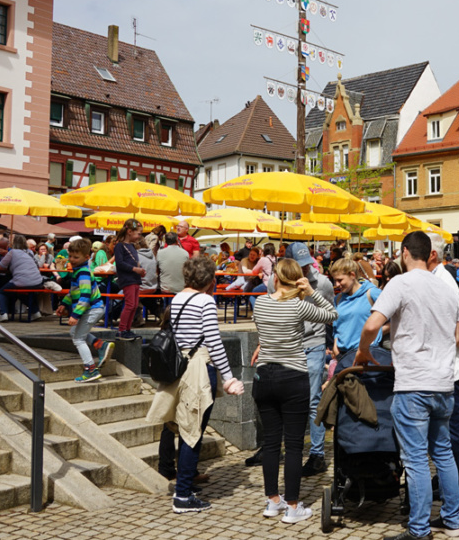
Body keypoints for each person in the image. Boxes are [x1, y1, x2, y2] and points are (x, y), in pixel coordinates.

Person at [355, 230, 459, 540]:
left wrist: (363, 351)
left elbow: (372, 324)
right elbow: (455, 337)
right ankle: (452, 521)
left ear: (404, 252)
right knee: (443, 453)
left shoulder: (400, 282)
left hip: (414, 383)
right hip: (444, 382)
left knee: (415, 459)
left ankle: (419, 530)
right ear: (429, 254)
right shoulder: (445, 287)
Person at [249, 258, 337, 524]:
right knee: (295, 443)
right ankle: (293, 506)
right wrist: (311, 293)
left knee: (272, 442)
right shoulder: (299, 306)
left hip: (264, 376)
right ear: (297, 279)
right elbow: (332, 314)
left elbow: (264, 334)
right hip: (292, 376)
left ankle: (272, 501)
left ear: (275, 278)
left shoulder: (261, 303)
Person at [164, 256, 245, 513]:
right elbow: (214, 341)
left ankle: (185, 483)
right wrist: (229, 377)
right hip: (199, 368)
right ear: (210, 280)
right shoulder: (206, 301)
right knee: (193, 432)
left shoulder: (177, 298)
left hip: (181, 368)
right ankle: (183, 497)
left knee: (187, 427)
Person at [426, 232, 459, 498]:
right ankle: (448, 475)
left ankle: (457, 478)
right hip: (438, 363)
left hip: (448, 365)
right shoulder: (434, 278)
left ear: (432, 254)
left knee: (452, 422)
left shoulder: (443, 280)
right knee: (442, 423)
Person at [284, 242, 335, 478]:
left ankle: (317, 455)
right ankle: (283, 448)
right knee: (287, 400)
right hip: (289, 346)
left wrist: (332, 344)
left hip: (313, 345)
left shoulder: (322, 283)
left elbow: (332, 313)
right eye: (299, 265)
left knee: (314, 400)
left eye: (307, 265)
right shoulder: (280, 282)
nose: (305, 270)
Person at [53, 239, 113, 383]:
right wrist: (64, 304)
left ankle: (91, 369)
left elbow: (85, 296)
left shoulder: (83, 273)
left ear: (86, 257)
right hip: (92, 308)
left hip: (92, 308)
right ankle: (100, 345)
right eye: (71, 256)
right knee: (75, 332)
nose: (72, 260)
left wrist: (75, 314)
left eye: (76, 257)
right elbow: (74, 291)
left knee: (78, 338)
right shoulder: (79, 271)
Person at [329, 258, 381, 357]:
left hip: (367, 353)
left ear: (352, 275)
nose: (337, 284)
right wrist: (335, 347)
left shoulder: (372, 293)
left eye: (340, 280)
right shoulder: (338, 298)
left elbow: (392, 320)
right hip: (342, 355)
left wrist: (376, 333)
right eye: (335, 280)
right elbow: (337, 326)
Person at [0, 234, 44, 322]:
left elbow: (0, 267)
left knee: (2, 291)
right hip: (38, 281)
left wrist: (5, 256)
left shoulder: (12, 252)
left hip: (21, 280)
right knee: (20, 292)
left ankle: (4, 314)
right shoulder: (29, 252)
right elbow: (37, 265)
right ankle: (35, 312)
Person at [114, 219, 145, 340]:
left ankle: (127, 328)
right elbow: (120, 263)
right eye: (139, 233)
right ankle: (122, 329)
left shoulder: (131, 246)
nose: (139, 236)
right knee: (130, 304)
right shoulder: (120, 246)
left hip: (134, 278)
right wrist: (134, 269)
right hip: (127, 279)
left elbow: (132, 262)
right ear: (130, 232)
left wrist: (140, 270)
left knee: (134, 305)